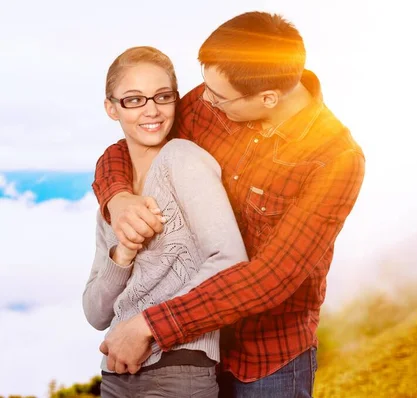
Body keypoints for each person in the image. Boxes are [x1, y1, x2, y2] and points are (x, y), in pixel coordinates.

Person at [92, 11, 365, 398]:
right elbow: (133, 143)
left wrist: (148, 326)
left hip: (265, 360)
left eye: (218, 95)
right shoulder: (212, 102)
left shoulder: (335, 159)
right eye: (205, 85)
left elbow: (272, 276)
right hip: (188, 353)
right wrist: (117, 197)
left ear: (267, 97)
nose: (203, 99)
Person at [82, 46, 248, 398]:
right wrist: (123, 253)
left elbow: (230, 261)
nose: (152, 110)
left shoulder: (183, 159)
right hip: (115, 375)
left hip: (179, 370)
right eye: (134, 100)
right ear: (111, 108)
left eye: (162, 96)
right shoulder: (114, 202)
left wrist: (149, 330)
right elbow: (96, 313)